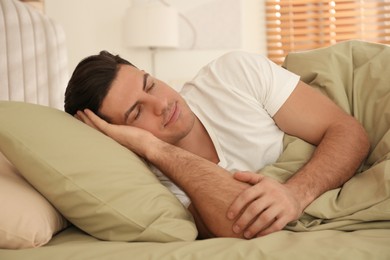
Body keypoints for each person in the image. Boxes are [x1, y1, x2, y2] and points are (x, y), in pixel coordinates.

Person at [64, 50, 370, 239]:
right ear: (117, 136)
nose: (160, 103)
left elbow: (348, 131)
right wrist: (155, 149)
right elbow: (240, 225)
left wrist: (296, 193)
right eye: (136, 112)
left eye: (150, 84)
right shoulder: (149, 185)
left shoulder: (232, 74)